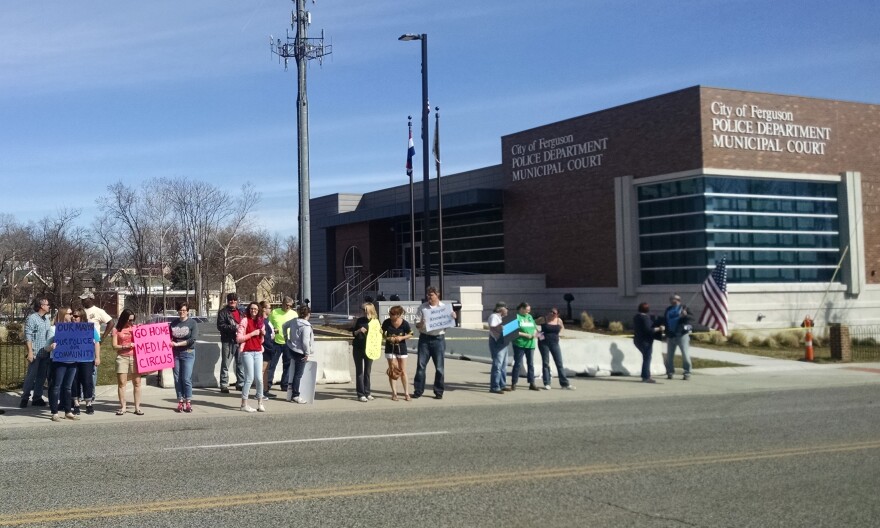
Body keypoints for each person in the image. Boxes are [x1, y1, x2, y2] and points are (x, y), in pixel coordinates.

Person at [47, 307, 93, 421]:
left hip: (72, 362)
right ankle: (54, 412)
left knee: (68, 387)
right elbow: (46, 347)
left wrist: (88, 341)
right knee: (56, 386)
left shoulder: (78, 329)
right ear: (63, 315)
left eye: (72, 314)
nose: (72, 316)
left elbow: (81, 343)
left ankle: (68, 411)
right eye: (69, 313)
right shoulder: (54, 329)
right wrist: (51, 346)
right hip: (59, 362)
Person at [413, 286, 455, 399]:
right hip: (425, 339)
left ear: (437, 295)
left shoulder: (445, 308)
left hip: (438, 339)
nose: (428, 297)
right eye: (427, 294)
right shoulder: (423, 308)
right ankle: (418, 390)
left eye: (431, 295)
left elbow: (449, 323)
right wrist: (422, 323)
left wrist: (453, 317)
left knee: (439, 368)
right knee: (421, 366)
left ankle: (439, 391)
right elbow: (417, 325)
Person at [79, 291, 114, 407]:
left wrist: (103, 338)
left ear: (91, 299)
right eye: (82, 299)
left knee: (92, 371)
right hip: (79, 345)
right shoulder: (80, 311)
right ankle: (80, 394)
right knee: (79, 371)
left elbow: (111, 322)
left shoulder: (98, 311)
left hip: (92, 345)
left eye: (84, 299)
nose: (82, 301)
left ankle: (90, 394)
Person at [21, 298, 52, 408]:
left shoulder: (47, 319)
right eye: (47, 304)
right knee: (31, 376)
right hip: (35, 353)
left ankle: (37, 398)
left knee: (41, 377)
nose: (49, 306)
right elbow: (27, 336)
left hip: (45, 352)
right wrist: (30, 352)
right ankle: (25, 398)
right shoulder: (32, 318)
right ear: (41, 306)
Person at [236, 302, 266, 412]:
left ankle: (260, 402)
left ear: (259, 311)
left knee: (259, 378)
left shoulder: (260, 322)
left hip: (258, 352)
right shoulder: (244, 321)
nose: (253, 311)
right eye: (252, 308)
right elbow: (239, 339)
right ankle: (244, 404)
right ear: (249, 309)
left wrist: (262, 333)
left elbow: (262, 339)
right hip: (247, 352)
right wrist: (252, 333)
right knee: (249, 378)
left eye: (256, 309)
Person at [170, 302, 199, 413]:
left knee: (186, 378)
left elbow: (192, 340)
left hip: (188, 352)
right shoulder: (173, 323)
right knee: (177, 378)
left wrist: (178, 344)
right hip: (175, 354)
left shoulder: (192, 323)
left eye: (184, 310)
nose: (182, 312)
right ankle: (180, 400)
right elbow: (167, 337)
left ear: (187, 311)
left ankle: (188, 401)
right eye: (180, 310)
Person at [282, 305, 314, 404]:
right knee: (298, 375)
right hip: (300, 352)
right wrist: (307, 353)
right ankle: (295, 395)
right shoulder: (306, 326)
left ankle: (288, 389)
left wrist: (286, 337)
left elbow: (284, 325)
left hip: (291, 347)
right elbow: (305, 341)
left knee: (289, 370)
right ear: (308, 314)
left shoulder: (294, 321)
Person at [381, 305, 413, 401]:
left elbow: (411, 334)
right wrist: (388, 338)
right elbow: (382, 334)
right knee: (393, 370)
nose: (390, 315)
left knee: (403, 371)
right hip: (390, 348)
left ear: (398, 315)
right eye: (390, 313)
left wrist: (401, 338)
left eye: (392, 314)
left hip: (401, 348)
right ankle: (394, 393)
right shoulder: (386, 322)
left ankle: (406, 393)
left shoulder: (404, 323)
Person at [267, 297, 297, 396]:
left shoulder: (294, 314)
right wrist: (273, 330)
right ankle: (268, 384)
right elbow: (268, 325)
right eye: (286, 304)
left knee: (287, 365)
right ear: (282, 303)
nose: (287, 307)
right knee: (272, 365)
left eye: (290, 305)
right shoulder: (275, 312)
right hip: (276, 342)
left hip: (288, 343)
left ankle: (284, 384)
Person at [538, 307, 575, 390]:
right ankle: (547, 383)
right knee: (546, 363)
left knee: (559, 363)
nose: (551, 313)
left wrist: (558, 335)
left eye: (554, 313)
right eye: (550, 311)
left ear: (557, 314)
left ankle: (564, 383)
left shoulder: (559, 320)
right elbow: (532, 325)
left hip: (555, 343)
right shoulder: (543, 319)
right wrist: (538, 334)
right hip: (544, 343)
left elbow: (562, 328)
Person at [112, 309, 140, 415]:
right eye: (129, 320)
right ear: (124, 319)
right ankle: (123, 406)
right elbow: (114, 346)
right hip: (122, 357)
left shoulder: (135, 328)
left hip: (135, 357)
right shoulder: (117, 330)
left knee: (137, 383)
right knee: (122, 383)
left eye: (133, 320)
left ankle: (137, 407)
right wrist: (125, 346)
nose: (131, 322)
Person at [216, 293, 244, 393]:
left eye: (234, 300)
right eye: (230, 300)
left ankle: (240, 383)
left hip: (240, 341)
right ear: (228, 301)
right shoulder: (223, 312)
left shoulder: (242, 312)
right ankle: (223, 384)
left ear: (237, 301)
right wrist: (234, 327)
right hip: (228, 341)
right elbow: (220, 326)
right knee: (225, 364)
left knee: (240, 364)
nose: (232, 302)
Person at [661, 294, 693, 380]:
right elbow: (665, 320)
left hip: (681, 335)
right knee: (669, 356)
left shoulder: (684, 308)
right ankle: (670, 372)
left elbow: (692, 319)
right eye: (670, 299)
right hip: (670, 335)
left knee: (685, 355)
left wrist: (685, 315)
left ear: (678, 300)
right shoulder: (668, 309)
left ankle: (687, 373)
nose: (671, 300)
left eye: (673, 299)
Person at [351, 303, 378, 402]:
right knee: (359, 371)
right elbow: (353, 333)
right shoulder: (359, 320)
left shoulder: (375, 322)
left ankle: (368, 392)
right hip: (358, 348)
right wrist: (358, 331)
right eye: (362, 309)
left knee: (367, 371)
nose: (362, 311)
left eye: (364, 310)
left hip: (369, 348)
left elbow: (378, 335)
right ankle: (360, 394)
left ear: (369, 310)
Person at [511, 302, 539, 391]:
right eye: (527, 310)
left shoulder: (529, 317)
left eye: (529, 310)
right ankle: (514, 383)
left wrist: (535, 333)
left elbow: (535, 328)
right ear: (521, 309)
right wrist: (525, 335)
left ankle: (532, 383)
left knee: (530, 364)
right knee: (518, 363)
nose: (528, 312)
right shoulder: (516, 317)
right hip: (519, 344)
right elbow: (512, 331)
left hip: (530, 344)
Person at [633, 302, 660, 383]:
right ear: (647, 309)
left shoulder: (636, 317)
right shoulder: (645, 318)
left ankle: (645, 375)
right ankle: (646, 376)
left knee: (646, 357)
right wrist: (659, 328)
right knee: (647, 358)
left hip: (637, 339)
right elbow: (649, 330)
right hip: (646, 341)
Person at [487, 302, 510, 394]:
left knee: (504, 365)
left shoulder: (501, 318)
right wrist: (506, 328)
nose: (507, 310)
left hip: (504, 342)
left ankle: (502, 384)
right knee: (497, 365)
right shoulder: (494, 316)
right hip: (497, 342)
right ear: (500, 309)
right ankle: (494, 386)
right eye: (506, 308)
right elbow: (493, 328)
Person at [259, 300, 275, 401]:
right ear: (264, 309)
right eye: (269, 308)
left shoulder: (267, 320)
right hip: (265, 349)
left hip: (269, 348)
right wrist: (271, 347)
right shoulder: (262, 321)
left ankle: (265, 390)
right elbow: (265, 338)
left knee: (265, 372)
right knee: (262, 371)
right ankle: (260, 392)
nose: (270, 309)